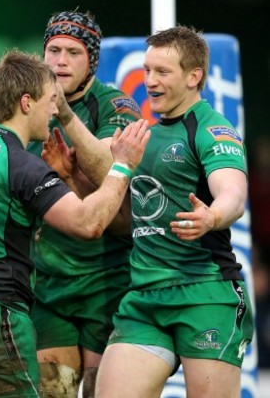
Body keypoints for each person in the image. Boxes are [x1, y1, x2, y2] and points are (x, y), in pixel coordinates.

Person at [0, 49, 150, 398]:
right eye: (50, 101)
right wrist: (122, 167)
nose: (55, 110)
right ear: (26, 102)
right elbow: (88, 224)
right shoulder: (22, 164)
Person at [57, 25, 254, 397]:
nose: (149, 80)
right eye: (146, 70)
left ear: (194, 76)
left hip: (205, 293)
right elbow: (125, 216)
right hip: (145, 297)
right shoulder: (140, 135)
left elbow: (233, 194)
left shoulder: (212, 129)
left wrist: (212, 216)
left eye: (162, 72)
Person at [27, 10, 142, 397]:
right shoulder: (27, 105)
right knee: (52, 390)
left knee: (98, 391)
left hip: (105, 281)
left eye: (73, 52)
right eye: (53, 50)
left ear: (92, 60)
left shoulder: (116, 106)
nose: (60, 60)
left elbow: (116, 169)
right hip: (49, 286)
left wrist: (65, 113)